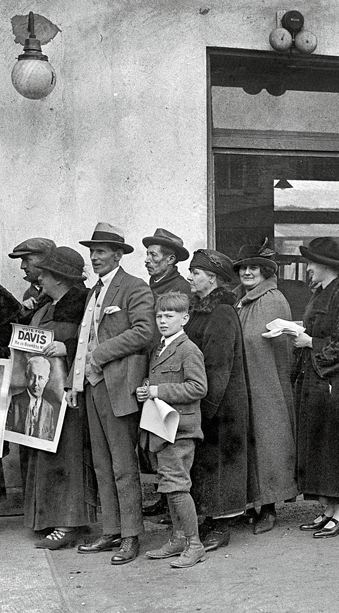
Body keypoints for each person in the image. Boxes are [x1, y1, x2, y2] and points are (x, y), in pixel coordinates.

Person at [71, 222, 155, 565]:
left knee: (123, 464)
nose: (95, 258)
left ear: (118, 255)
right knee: (102, 464)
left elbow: (145, 332)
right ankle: (112, 530)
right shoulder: (94, 292)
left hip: (118, 387)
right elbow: (83, 340)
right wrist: (76, 381)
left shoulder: (134, 288)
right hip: (93, 386)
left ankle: (131, 535)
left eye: (101, 252)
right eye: (92, 252)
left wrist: (100, 354)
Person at [14, 247, 97, 549]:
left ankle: (69, 523)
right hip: (44, 393)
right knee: (46, 455)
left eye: (46, 274)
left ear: (60, 278)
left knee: (68, 456)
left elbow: (96, 339)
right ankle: (49, 518)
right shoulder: (47, 305)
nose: (40, 278)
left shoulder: (83, 303)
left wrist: (68, 347)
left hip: (69, 395)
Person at [291, 237, 339, 539]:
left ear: (326, 266)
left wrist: (310, 342)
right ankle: (330, 510)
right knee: (321, 447)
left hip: (337, 385)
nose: (308, 268)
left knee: (335, 448)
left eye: (312, 263)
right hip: (319, 380)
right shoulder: (322, 293)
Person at [185, 249, 252, 552]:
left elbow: (218, 365)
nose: (190, 277)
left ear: (211, 278)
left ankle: (222, 524)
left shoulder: (222, 312)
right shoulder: (201, 310)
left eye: (195, 273)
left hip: (221, 403)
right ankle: (212, 518)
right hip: (206, 399)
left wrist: (206, 408)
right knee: (209, 464)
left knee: (222, 464)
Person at [137, 292, 208, 568]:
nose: (163, 321)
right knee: (169, 484)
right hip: (161, 427)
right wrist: (147, 390)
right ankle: (179, 538)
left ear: (185, 318)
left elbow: (198, 387)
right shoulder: (160, 347)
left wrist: (159, 391)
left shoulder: (188, 349)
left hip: (181, 429)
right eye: (159, 316)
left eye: (169, 316)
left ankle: (195, 544)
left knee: (177, 486)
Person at [233, 240, 298, 534]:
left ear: (265, 271)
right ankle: (249, 504)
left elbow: (281, 349)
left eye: (253, 268)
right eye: (243, 268)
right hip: (245, 384)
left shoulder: (272, 300)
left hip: (267, 384)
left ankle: (269, 507)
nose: (247, 272)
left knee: (269, 443)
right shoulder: (241, 299)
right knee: (247, 444)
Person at [8, 356, 57, 439]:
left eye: (40, 378)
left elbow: (49, 438)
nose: (36, 383)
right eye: (32, 377)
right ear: (26, 377)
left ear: (46, 381)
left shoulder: (49, 408)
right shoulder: (13, 402)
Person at [7, 237, 56, 320]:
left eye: (27, 260)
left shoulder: (65, 290)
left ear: (45, 260)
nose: (22, 266)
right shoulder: (29, 294)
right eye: (22, 260)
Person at [143, 229, 193, 298]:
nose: (146, 260)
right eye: (147, 254)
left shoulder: (182, 289)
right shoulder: (151, 284)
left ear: (171, 259)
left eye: (153, 255)